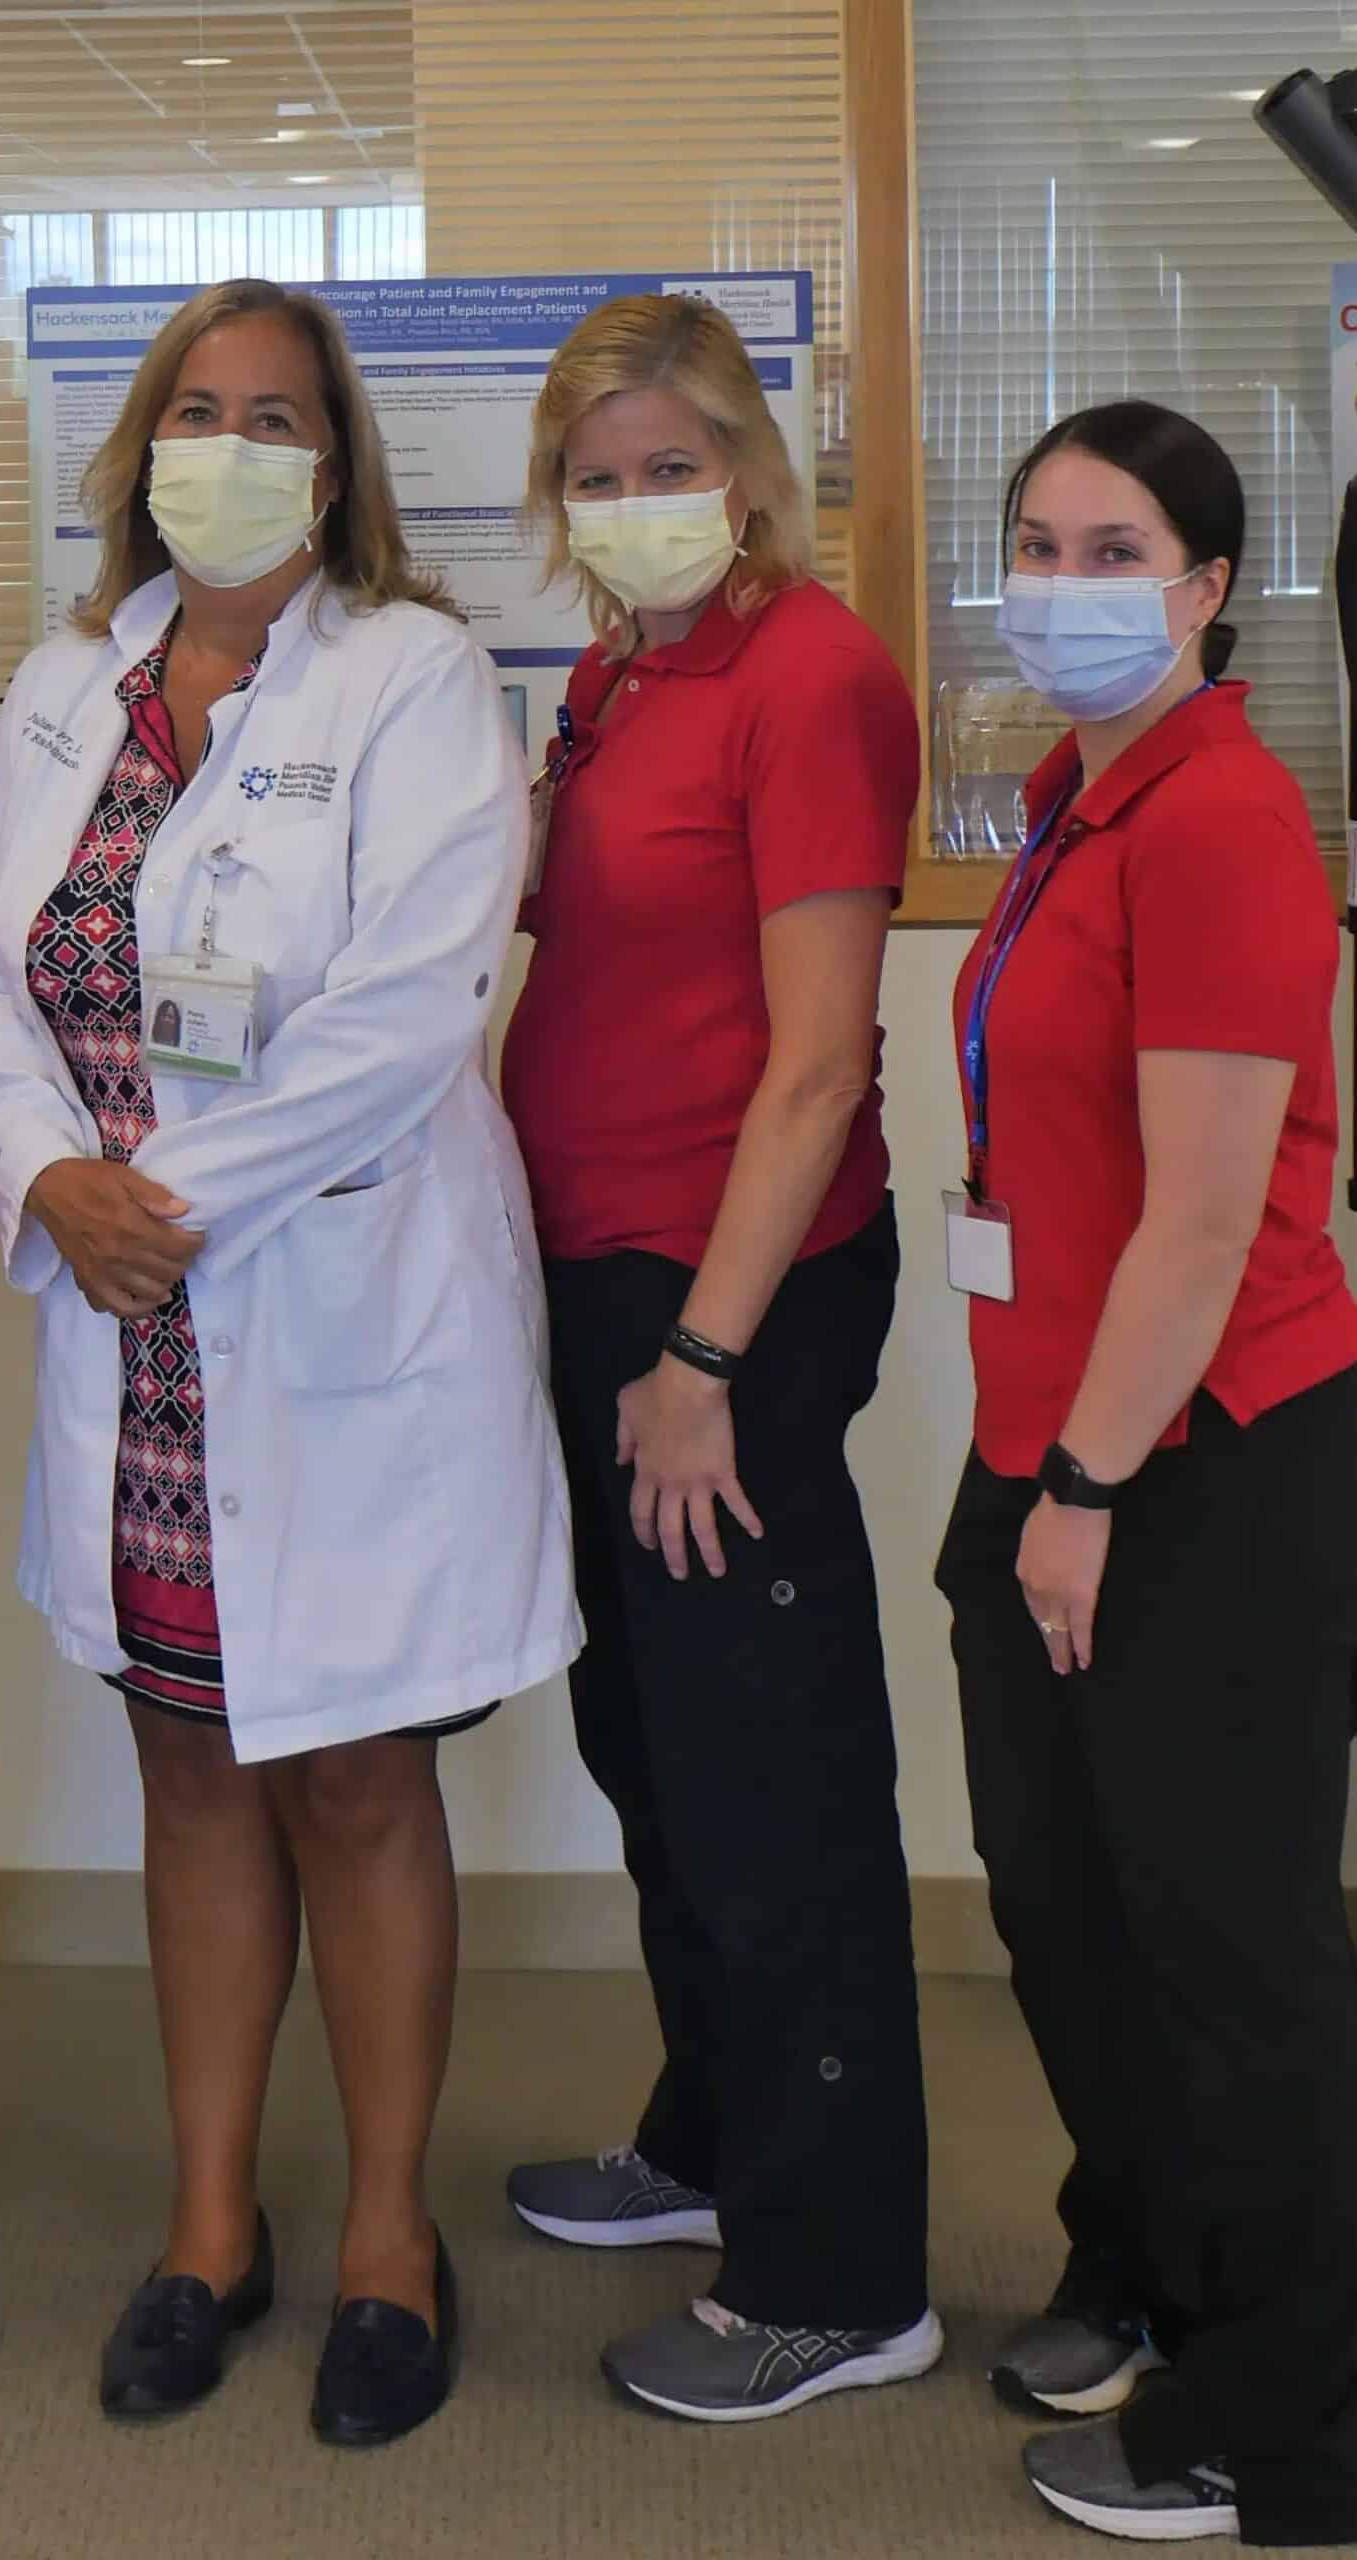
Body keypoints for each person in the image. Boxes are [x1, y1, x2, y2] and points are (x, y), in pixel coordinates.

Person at [0, 276, 578, 2450]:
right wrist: (43, 1174)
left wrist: (157, 1199)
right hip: (134, 1328)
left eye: (274, 416)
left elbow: (411, 1010)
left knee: (361, 1778)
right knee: (192, 1767)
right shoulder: (58, 685)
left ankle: (390, 2229)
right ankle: (211, 2221)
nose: (228, 447)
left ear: (336, 461)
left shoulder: (411, 679)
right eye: (194, 411)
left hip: (316, 1302)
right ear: (139, 447)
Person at [499, 291, 939, 2422]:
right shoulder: (618, 671)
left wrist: (700, 1353)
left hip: (724, 1293)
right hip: (605, 1276)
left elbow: (815, 1062)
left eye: (672, 465)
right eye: (599, 471)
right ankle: (711, 2137)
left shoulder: (812, 675)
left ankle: (838, 2267)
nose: (637, 503)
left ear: (751, 467)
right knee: (655, 1746)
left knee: (770, 1780)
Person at [936, 401, 1357, 2547]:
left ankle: (1286, 2428)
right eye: (1035, 538)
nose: (1064, 580)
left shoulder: (1222, 820)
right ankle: (1160, 2275)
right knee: (1071, 1914)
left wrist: (1082, 1490)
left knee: (1230, 1950)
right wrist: (1035, 1479)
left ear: (1205, 590)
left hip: (1190, 1466)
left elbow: (1206, 1218)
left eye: (1116, 548)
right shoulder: (1070, 795)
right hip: (1053, 1445)